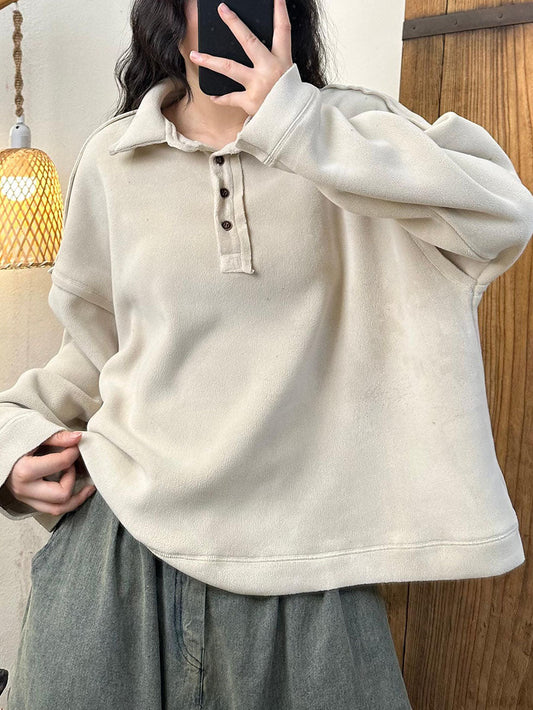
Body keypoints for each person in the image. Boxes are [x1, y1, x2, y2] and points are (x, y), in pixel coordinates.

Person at [1, 0, 533, 707]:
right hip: (115, 562)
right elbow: (95, 358)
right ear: (168, 15)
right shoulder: (114, 157)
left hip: (308, 574)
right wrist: (12, 450)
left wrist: (298, 127)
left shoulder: (345, 131)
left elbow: (502, 216)